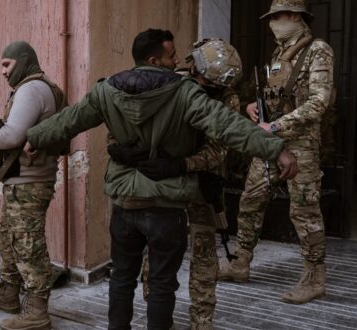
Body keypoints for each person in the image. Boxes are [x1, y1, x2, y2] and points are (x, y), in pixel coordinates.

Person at [25, 28, 298, 330]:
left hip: (125, 203)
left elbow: (69, 120)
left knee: (121, 279)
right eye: (171, 56)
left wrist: (34, 137)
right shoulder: (185, 92)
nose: (177, 61)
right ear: (155, 59)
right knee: (163, 283)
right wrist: (276, 149)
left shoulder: (106, 91)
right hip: (166, 207)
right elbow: (228, 127)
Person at [109, 39, 244, 330]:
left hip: (200, 184)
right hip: (162, 186)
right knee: (153, 260)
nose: (206, 86)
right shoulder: (169, 82)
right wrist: (120, 147)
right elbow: (130, 119)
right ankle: (157, 319)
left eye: (213, 84)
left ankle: (201, 321)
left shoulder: (226, 98)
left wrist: (183, 164)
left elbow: (218, 149)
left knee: (205, 257)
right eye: (204, 79)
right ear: (193, 64)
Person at [218, 0, 334, 305]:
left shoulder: (317, 50)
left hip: (301, 145)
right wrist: (254, 108)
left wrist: (277, 124)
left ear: (295, 16)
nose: (272, 24)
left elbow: (320, 101)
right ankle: (240, 263)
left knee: (304, 212)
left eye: (276, 17)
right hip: (270, 142)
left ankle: (314, 279)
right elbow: (277, 97)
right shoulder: (279, 53)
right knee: (250, 201)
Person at [0, 40, 65, 330]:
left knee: (28, 245)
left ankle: (37, 310)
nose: (2, 71)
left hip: (29, 182)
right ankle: (8, 293)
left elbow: (13, 135)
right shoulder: (39, 87)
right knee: (8, 238)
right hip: (24, 180)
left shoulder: (31, 88)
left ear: (23, 61)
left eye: (6, 64)